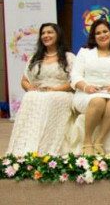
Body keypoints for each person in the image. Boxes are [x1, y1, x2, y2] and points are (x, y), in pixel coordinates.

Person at [7, 23, 75, 156]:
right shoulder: (34, 57)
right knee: (30, 97)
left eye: (50, 32)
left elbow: (74, 82)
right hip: (39, 93)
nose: (46, 35)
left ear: (58, 35)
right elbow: (24, 80)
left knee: (48, 98)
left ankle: (45, 149)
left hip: (61, 93)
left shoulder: (69, 57)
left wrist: (55, 89)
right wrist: (30, 88)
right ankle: (26, 146)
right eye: (43, 33)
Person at [71, 19, 110, 155]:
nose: (102, 35)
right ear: (93, 37)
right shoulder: (84, 52)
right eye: (98, 33)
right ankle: (87, 141)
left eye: (105, 31)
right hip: (87, 94)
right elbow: (75, 76)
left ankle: (99, 141)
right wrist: (86, 87)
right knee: (98, 101)